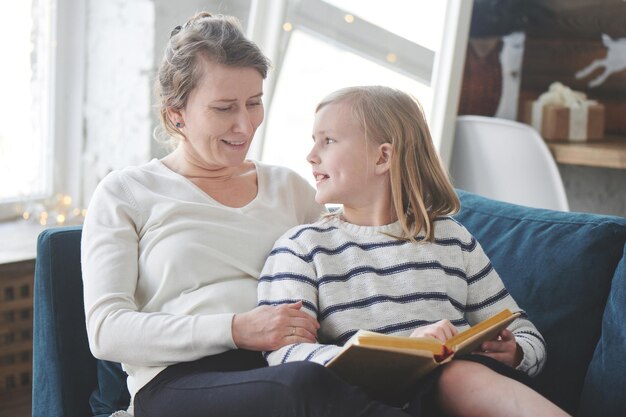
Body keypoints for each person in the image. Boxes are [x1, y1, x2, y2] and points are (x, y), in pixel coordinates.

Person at [81, 12, 424, 417]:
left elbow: (348, 280)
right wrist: (238, 329)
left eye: (254, 103)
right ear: (177, 113)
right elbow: (107, 330)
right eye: (224, 108)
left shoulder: (291, 188)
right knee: (304, 386)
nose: (244, 125)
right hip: (179, 383)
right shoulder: (127, 193)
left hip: (291, 364)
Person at [258, 86, 571, 417]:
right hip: (373, 401)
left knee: (456, 375)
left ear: (383, 157)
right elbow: (284, 355)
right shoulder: (302, 248)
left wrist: (516, 353)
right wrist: (401, 352)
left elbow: (526, 334)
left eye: (328, 141)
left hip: (467, 389)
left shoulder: (451, 239)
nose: (311, 155)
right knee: (453, 377)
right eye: (313, 140)